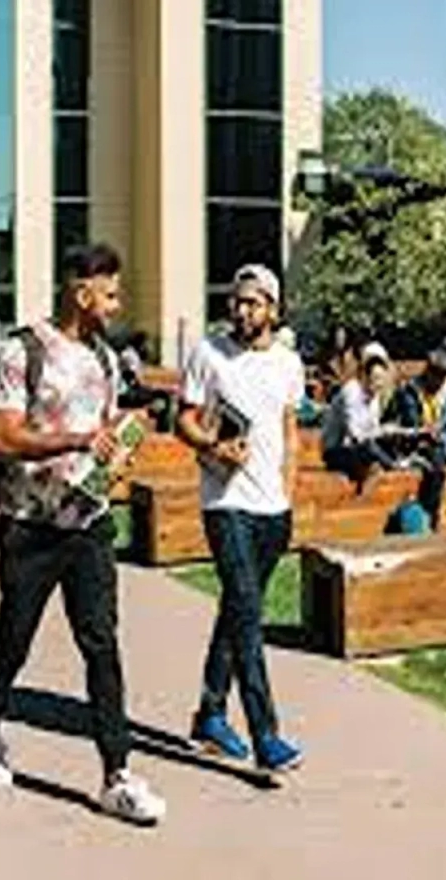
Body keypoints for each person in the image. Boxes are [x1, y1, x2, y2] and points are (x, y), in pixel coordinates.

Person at [0, 243, 166, 825]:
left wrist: (114, 457)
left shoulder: (105, 360)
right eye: (109, 293)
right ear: (81, 293)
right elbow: (4, 440)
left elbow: (101, 436)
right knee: (15, 636)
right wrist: (77, 441)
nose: (116, 303)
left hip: (88, 524)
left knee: (101, 643)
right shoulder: (22, 351)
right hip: (29, 527)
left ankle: (117, 774)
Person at [176, 263, 306, 774]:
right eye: (237, 300)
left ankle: (209, 714)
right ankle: (265, 734)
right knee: (248, 612)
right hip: (224, 504)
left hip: (273, 510)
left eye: (253, 302)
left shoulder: (289, 363)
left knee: (236, 608)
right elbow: (183, 419)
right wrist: (213, 444)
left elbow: (291, 432)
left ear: (273, 308)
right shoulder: (208, 353)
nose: (242, 309)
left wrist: (288, 494)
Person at [387, 347, 446, 531]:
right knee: (436, 465)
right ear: (428, 372)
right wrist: (424, 434)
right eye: (436, 375)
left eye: (443, 377)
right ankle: (430, 515)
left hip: (441, 446)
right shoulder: (408, 392)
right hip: (414, 443)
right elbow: (406, 423)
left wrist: (444, 441)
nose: (439, 381)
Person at [321, 343, 402, 485]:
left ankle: (392, 465)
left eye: (381, 379)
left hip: (359, 449)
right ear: (364, 374)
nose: (379, 384)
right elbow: (355, 435)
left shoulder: (374, 396)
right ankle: (394, 467)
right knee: (368, 449)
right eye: (376, 378)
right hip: (337, 451)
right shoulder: (351, 392)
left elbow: (373, 430)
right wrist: (382, 432)